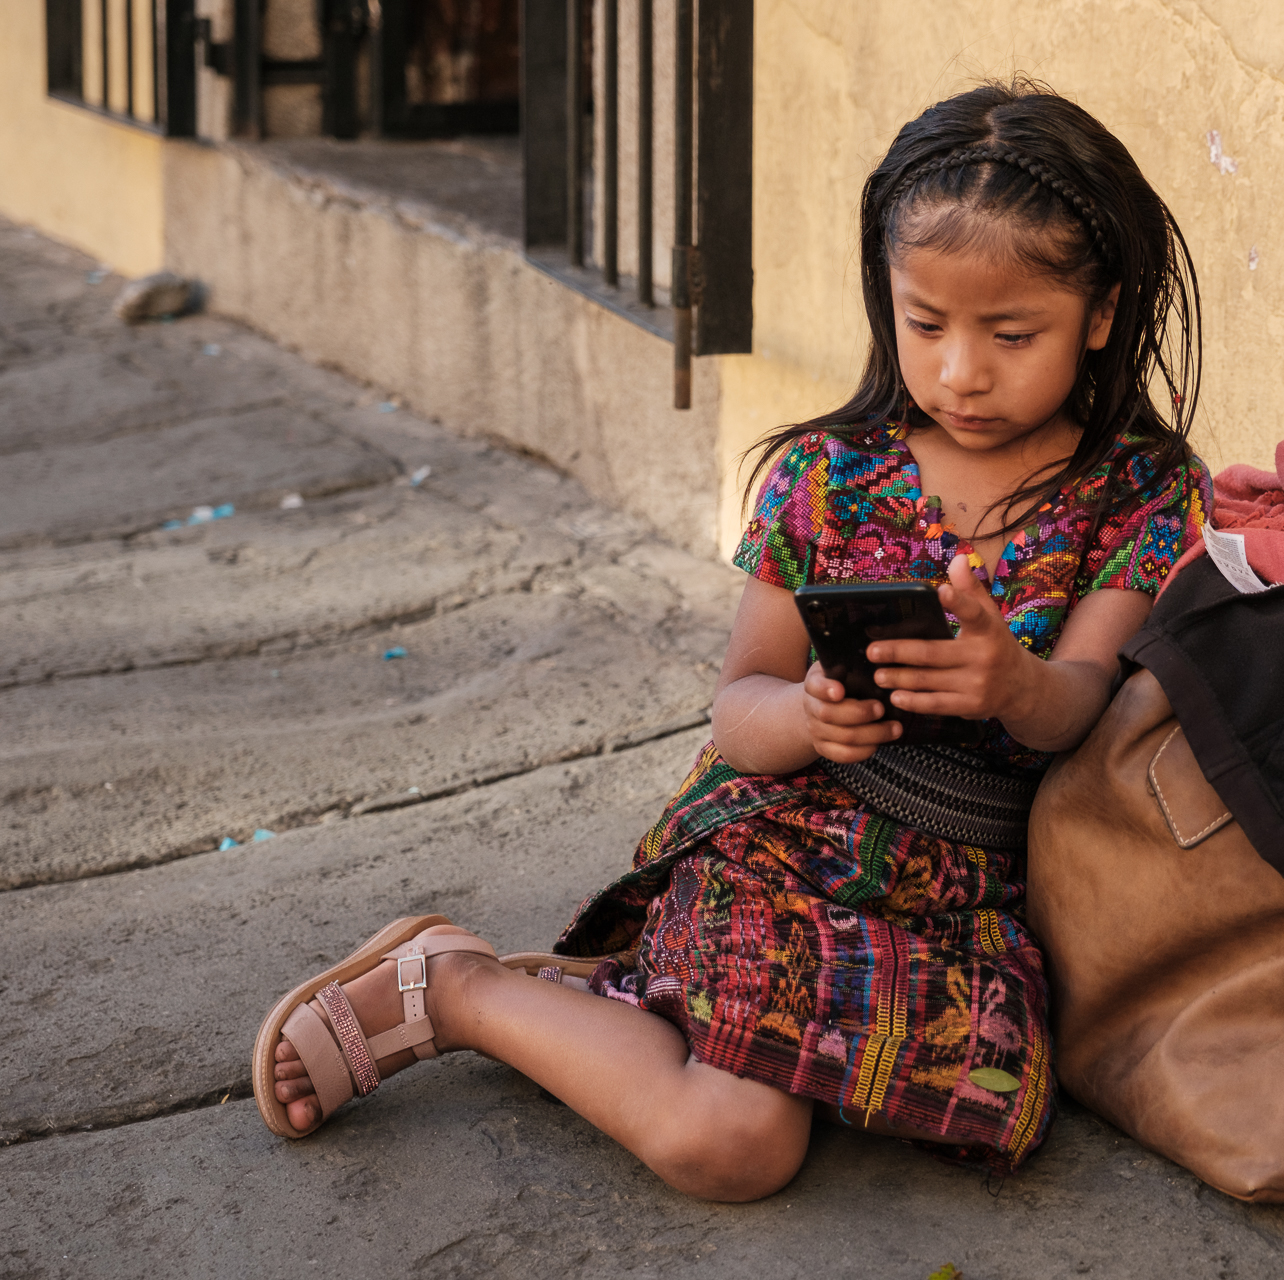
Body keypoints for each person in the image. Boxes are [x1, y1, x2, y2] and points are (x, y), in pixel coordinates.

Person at [253, 79, 1212, 1202]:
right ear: (884, 300)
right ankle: (456, 986)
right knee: (736, 1141)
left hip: (965, 889)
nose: (962, 370)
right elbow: (737, 708)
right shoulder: (826, 477)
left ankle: (612, 1002)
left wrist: (1014, 680)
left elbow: (1086, 701)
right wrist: (808, 715)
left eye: (1012, 333)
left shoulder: (1138, 490)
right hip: (780, 844)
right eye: (925, 323)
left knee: (989, 1100)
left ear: (1098, 316)